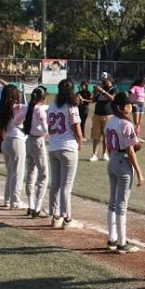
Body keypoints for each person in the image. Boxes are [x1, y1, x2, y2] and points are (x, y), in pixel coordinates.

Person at [105, 92, 145, 253]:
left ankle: (112, 238)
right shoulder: (125, 123)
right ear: (121, 107)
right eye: (128, 105)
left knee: (113, 202)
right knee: (121, 204)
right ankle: (122, 243)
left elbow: (109, 144)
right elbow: (130, 150)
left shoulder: (110, 122)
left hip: (112, 159)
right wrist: (140, 173)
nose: (131, 107)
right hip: (122, 162)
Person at [47, 79, 84, 228]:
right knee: (66, 185)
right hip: (68, 147)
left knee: (55, 183)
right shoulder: (71, 107)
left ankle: (55, 216)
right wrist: (80, 141)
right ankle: (67, 219)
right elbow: (76, 128)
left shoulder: (51, 106)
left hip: (53, 146)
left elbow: (50, 129)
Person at [0, 84, 28, 209]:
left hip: (6, 141)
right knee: (18, 172)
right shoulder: (18, 107)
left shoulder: (3, 108)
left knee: (10, 172)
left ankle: (7, 199)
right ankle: (15, 201)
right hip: (17, 141)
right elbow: (31, 108)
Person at [23, 87, 50, 217]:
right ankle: (38, 207)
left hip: (29, 140)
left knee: (30, 173)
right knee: (44, 175)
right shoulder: (40, 110)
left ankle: (31, 205)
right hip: (38, 142)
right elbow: (45, 128)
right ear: (43, 98)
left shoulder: (29, 108)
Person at [90, 76, 117, 162]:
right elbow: (93, 100)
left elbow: (112, 98)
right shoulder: (99, 88)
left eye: (104, 81)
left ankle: (104, 154)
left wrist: (102, 91)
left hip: (108, 115)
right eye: (102, 81)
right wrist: (95, 92)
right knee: (96, 136)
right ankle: (94, 154)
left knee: (106, 136)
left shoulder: (114, 89)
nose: (103, 82)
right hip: (97, 115)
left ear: (109, 80)